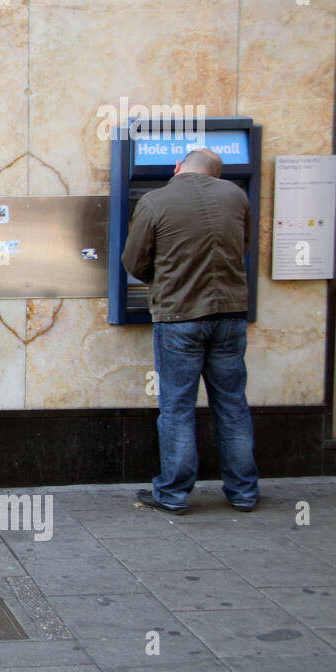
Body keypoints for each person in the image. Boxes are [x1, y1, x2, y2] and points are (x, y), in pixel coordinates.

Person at [121, 146, 259, 515]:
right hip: (230, 316)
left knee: (177, 407)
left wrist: (164, 281)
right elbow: (242, 248)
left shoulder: (155, 200)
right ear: (216, 174)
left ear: (178, 166)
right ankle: (244, 492)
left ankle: (173, 494)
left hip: (180, 317)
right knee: (232, 404)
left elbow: (133, 262)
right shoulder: (235, 196)